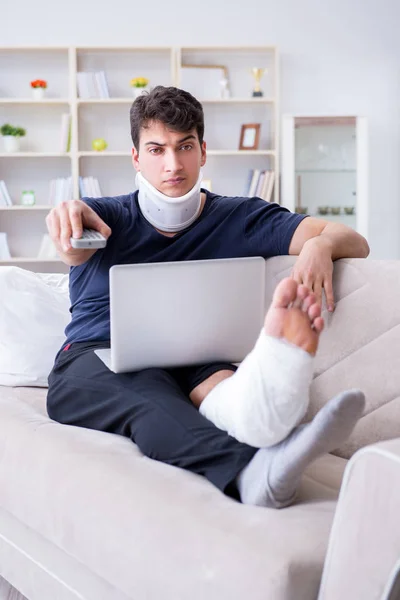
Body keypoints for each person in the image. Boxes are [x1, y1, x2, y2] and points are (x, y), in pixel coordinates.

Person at [46, 86, 369, 508]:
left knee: (225, 388)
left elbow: (354, 241)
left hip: (191, 353)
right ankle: (248, 471)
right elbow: (72, 246)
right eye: (157, 149)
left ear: (203, 151)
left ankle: (276, 417)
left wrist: (320, 246)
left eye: (184, 147)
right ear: (136, 157)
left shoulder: (239, 216)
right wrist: (67, 226)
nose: (173, 164)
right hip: (95, 357)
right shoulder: (102, 216)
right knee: (151, 401)